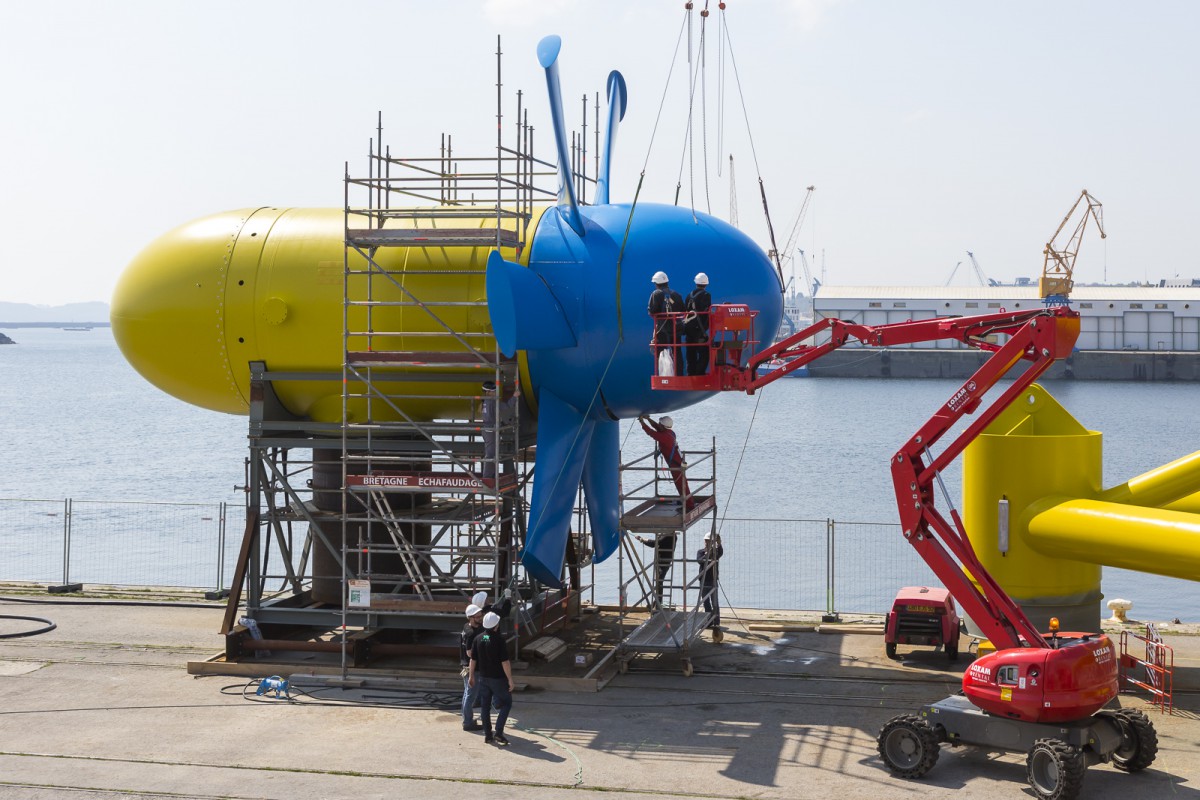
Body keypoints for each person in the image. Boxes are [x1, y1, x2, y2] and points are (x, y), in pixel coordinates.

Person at [458, 591, 513, 732]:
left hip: (472, 668)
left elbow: (482, 639)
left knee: (469, 694)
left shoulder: (468, 628)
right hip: (472, 668)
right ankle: (468, 722)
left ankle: (469, 719)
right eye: (477, 617)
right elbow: (471, 653)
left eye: (481, 615)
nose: (480, 618)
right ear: (471, 618)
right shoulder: (472, 634)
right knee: (470, 695)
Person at [469, 611, 515, 746]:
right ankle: (499, 733)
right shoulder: (499, 640)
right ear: (496, 625)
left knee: (485, 707)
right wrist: (510, 679)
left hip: (483, 678)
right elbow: (505, 662)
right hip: (498, 679)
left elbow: (473, 659)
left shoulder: (479, 638)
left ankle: (488, 735)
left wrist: (471, 676)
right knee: (507, 703)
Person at [638, 415, 692, 509]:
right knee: (681, 485)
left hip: (676, 465)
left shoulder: (665, 437)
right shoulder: (669, 433)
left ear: (663, 426)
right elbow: (656, 427)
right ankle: (687, 504)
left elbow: (651, 433)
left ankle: (689, 506)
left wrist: (642, 423)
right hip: (677, 463)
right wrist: (648, 419)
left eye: (660, 423)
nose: (658, 424)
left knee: (682, 485)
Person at [647, 271, 684, 375]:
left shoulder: (656, 294)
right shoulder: (676, 294)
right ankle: (679, 374)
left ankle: (663, 374)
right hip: (676, 327)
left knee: (661, 350)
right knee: (677, 351)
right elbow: (683, 310)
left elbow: (651, 311)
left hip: (662, 328)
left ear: (656, 283)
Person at [481, 380, 517, 482]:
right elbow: (506, 406)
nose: (495, 393)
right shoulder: (492, 402)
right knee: (491, 454)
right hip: (490, 430)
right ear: (489, 392)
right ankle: (488, 477)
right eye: (494, 391)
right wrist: (515, 396)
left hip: (487, 429)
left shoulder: (485, 402)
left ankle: (490, 475)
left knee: (491, 453)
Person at [636, 532, 676, 606]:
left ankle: (658, 602)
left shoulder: (669, 535)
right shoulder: (666, 534)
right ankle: (657, 601)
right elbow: (655, 543)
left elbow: (654, 543)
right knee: (659, 581)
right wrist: (642, 540)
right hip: (661, 560)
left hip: (664, 561)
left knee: (659, 581)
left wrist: (642, 539)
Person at [684, 272, 712, 376]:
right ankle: (699, 372)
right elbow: (706, 312)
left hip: (688, 328)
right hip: (699, 329)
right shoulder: (706, 295)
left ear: (696, 283)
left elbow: (686, 310)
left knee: (690, 351)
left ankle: (691, 372)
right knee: (704, 352)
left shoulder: (689, 295)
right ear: (706, 284)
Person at [697, 530, 724, 629]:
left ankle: (716, 621)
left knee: (714, 601)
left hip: (712, 580)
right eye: (706, 541)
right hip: (703, 580)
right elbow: (700, 561)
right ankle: (708, 621)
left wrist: (719, 544)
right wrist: (708, 554)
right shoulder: (700, 552)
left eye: (709, 541)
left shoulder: (716, 552)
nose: (707, 543)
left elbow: (720, 553)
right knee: (706, 601)